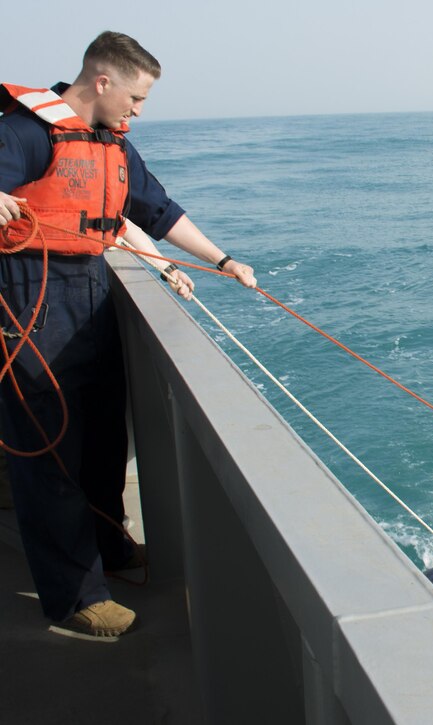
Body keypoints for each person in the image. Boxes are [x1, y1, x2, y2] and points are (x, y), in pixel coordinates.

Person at [0, 31, 256, 638]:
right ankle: (75, 596)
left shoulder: (112, 146)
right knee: (49, 449)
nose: (138, 112)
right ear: (103, 81)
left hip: (90, 294)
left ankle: (110, 546)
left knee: (103, 437)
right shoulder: (27, 129)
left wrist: (223, 261)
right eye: (136, 99)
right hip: (30, 297)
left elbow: (158, 211)